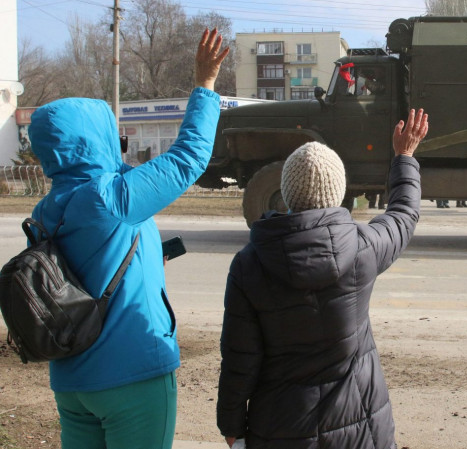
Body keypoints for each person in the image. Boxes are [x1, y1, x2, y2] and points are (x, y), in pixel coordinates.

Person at [27, 28, 229, 449]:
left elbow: (79, 274)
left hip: (71, 381)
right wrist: (205, 84)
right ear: (94, 139)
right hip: (130, 376)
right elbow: (187, 158)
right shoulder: (108, 198)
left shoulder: (45, 210)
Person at [217, 109, 429, 449]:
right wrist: (404, 156)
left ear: (287, 193)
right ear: (338, 191)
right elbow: (403, 214)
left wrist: (230, 424)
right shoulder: (363, 248)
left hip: (280, 429)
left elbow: (239, 357)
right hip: (359, 428)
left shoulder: (249, 264)